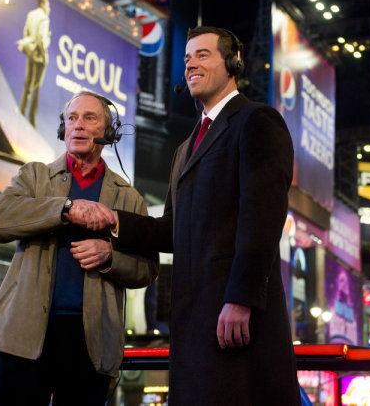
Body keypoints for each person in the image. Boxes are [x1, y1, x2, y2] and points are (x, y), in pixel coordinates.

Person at [77, 27, 301, 405]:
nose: (191, 65)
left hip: (235, 318)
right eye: (186, 58)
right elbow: (172, 230)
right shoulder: (185, 148)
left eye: (202, 55)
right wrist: (113, 220)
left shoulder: (257, 120)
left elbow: (262, 219)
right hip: (192, 322)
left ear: (232, 64)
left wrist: (241, 299)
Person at [0, 91, 159, 405]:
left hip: (91, 344)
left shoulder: (128, 197)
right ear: (63, 128)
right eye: (72, 118)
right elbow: (1, 221)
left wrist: (109, 257)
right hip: (22, 335)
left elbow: (147, 268)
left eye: (89, 118)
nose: (78, 125)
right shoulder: (34, 176)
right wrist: (66, 209)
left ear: (108, 131)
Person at [17, 0, 51, 127]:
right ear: (43, 4)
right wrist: (43, 56)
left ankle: (21, 111)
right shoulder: (44, 18)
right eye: (48, 5)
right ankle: (32, 119)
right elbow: (41, 39)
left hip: (30, 51)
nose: (49, 8)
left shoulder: (31, 14)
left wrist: (30, 47)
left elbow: (26, 32)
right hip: (38, 55)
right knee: (36, 87)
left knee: (27, 84)